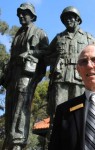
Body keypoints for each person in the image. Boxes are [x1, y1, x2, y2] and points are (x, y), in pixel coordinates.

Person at [2, 3, 49, 150]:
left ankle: (18, 141)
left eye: (25, 13)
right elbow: (12, 58)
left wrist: (30, 54)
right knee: (10, 107)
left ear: (32, 16)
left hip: (27, 75)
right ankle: (9, 141)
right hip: (13, 77)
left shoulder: (39, 33)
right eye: (19, 13)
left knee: (21, 107)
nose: (21, 16)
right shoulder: (18, 35)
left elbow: (47, 54)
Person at [46, 6, 95, 119]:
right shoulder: (59, 37)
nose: (68, 20)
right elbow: (46, 57)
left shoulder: (89, 38)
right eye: (65, 19)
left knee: (78, 111)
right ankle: (57, 135)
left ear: (77, 19)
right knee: (58, 111)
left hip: (79, 78)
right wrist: (56, 57)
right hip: (60, 77)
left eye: (71, 18)